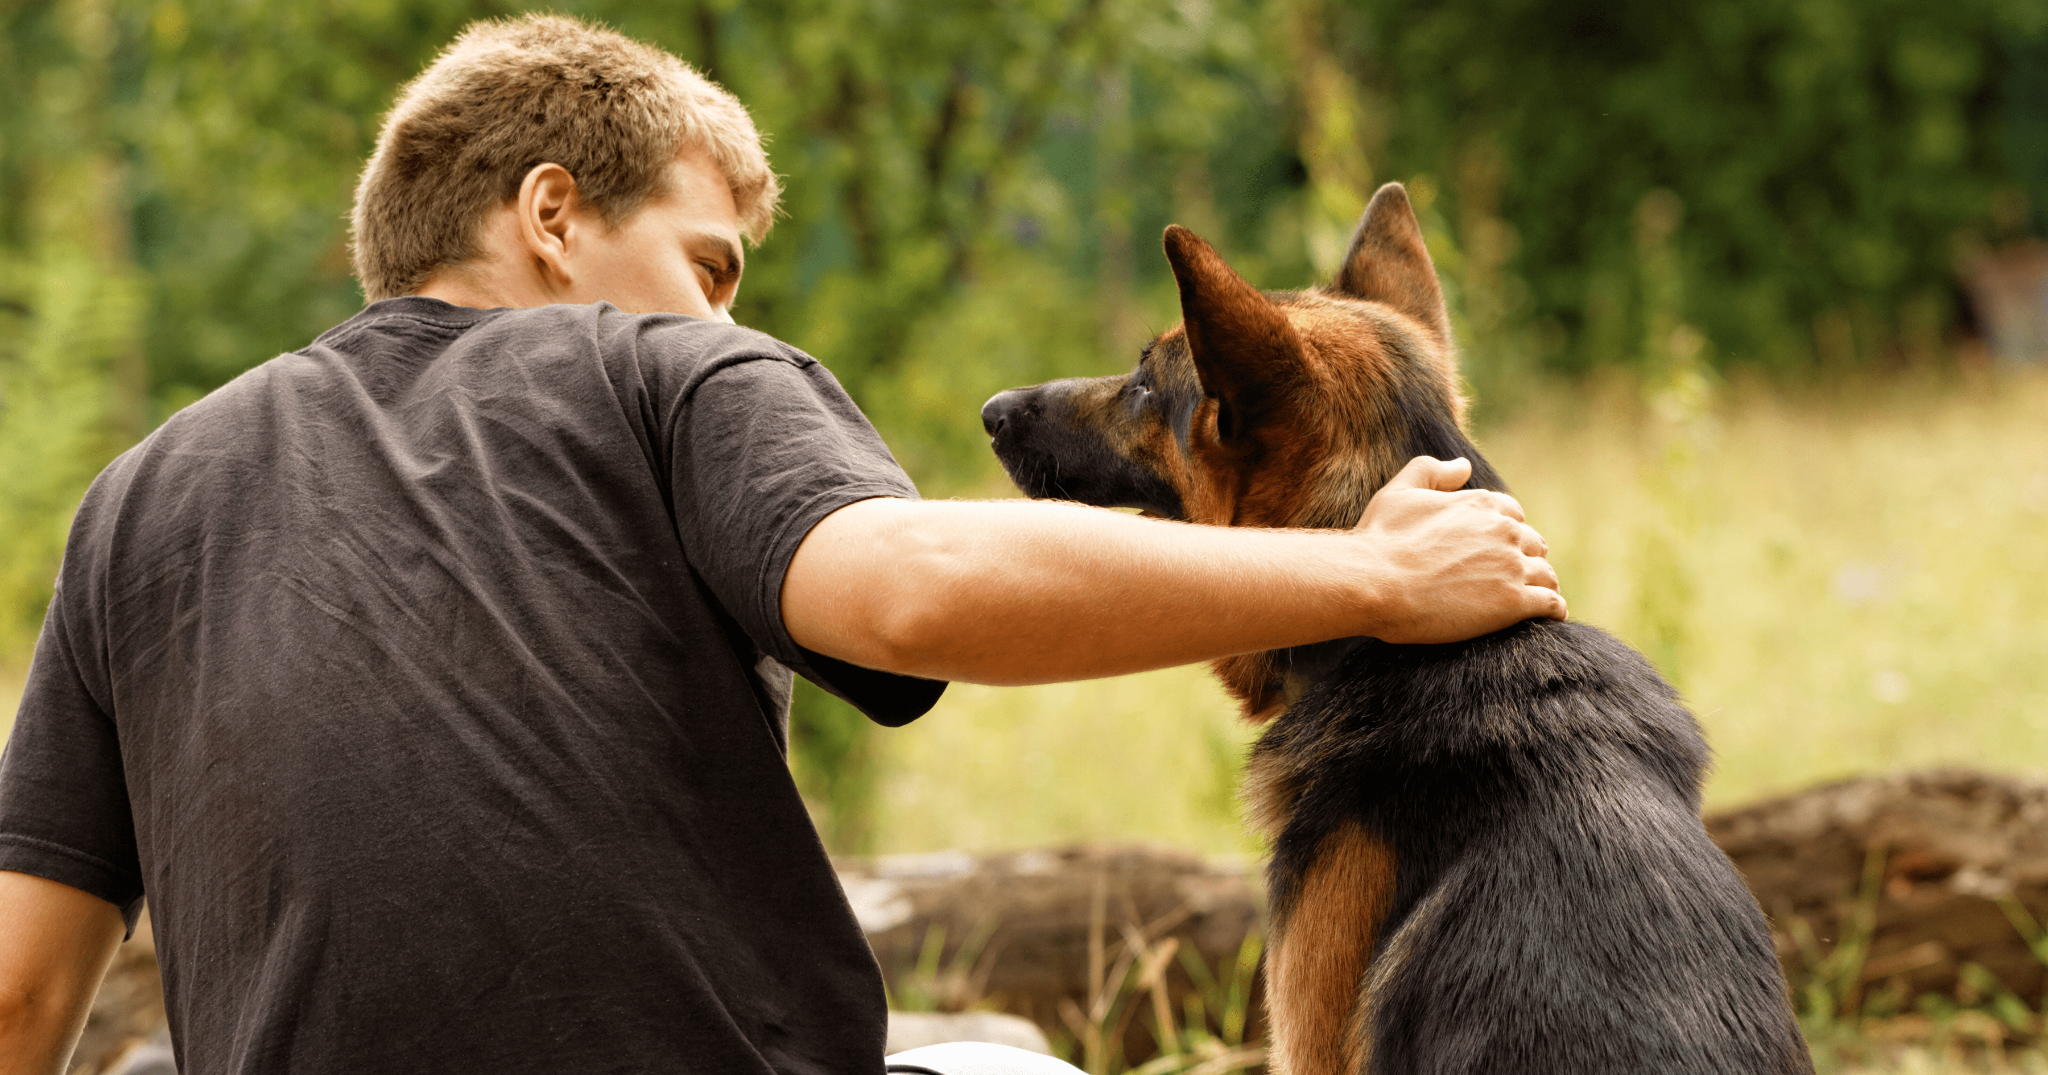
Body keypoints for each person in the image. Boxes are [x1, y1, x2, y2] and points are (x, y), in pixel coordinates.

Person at [0, 15, 1563, 1075]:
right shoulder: (664, 368)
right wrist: (1372, 574)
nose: (725, 310)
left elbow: (19, 990)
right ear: (552, 214)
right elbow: (912, 589)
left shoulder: (137, 497)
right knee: (1007, 1056)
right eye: (712, 260)